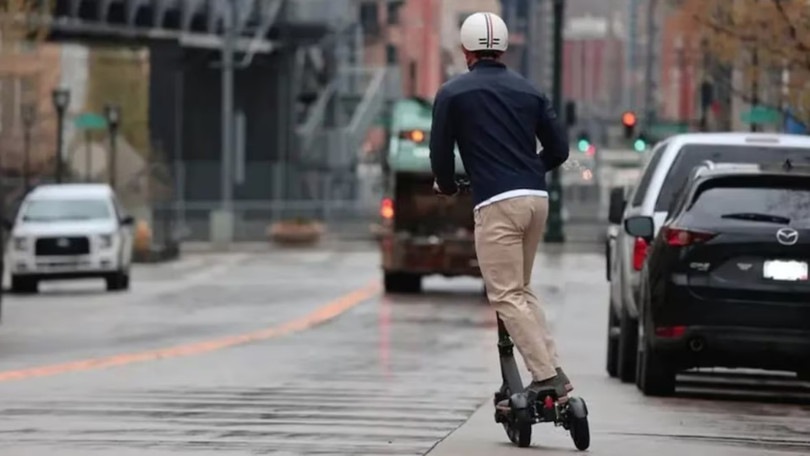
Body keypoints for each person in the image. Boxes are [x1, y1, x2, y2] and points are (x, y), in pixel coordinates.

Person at [429, 12, 573, 402]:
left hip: (497, 202)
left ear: (465, 50)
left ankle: (546, 378)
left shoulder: (452, 93)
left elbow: (440, 154)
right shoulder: (530, 91)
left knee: (505, 295)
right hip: (536, 200)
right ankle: (554, 368)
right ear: (504, 48)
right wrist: (528, 170)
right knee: (521, 291)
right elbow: (559, 149)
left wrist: (446, 185)